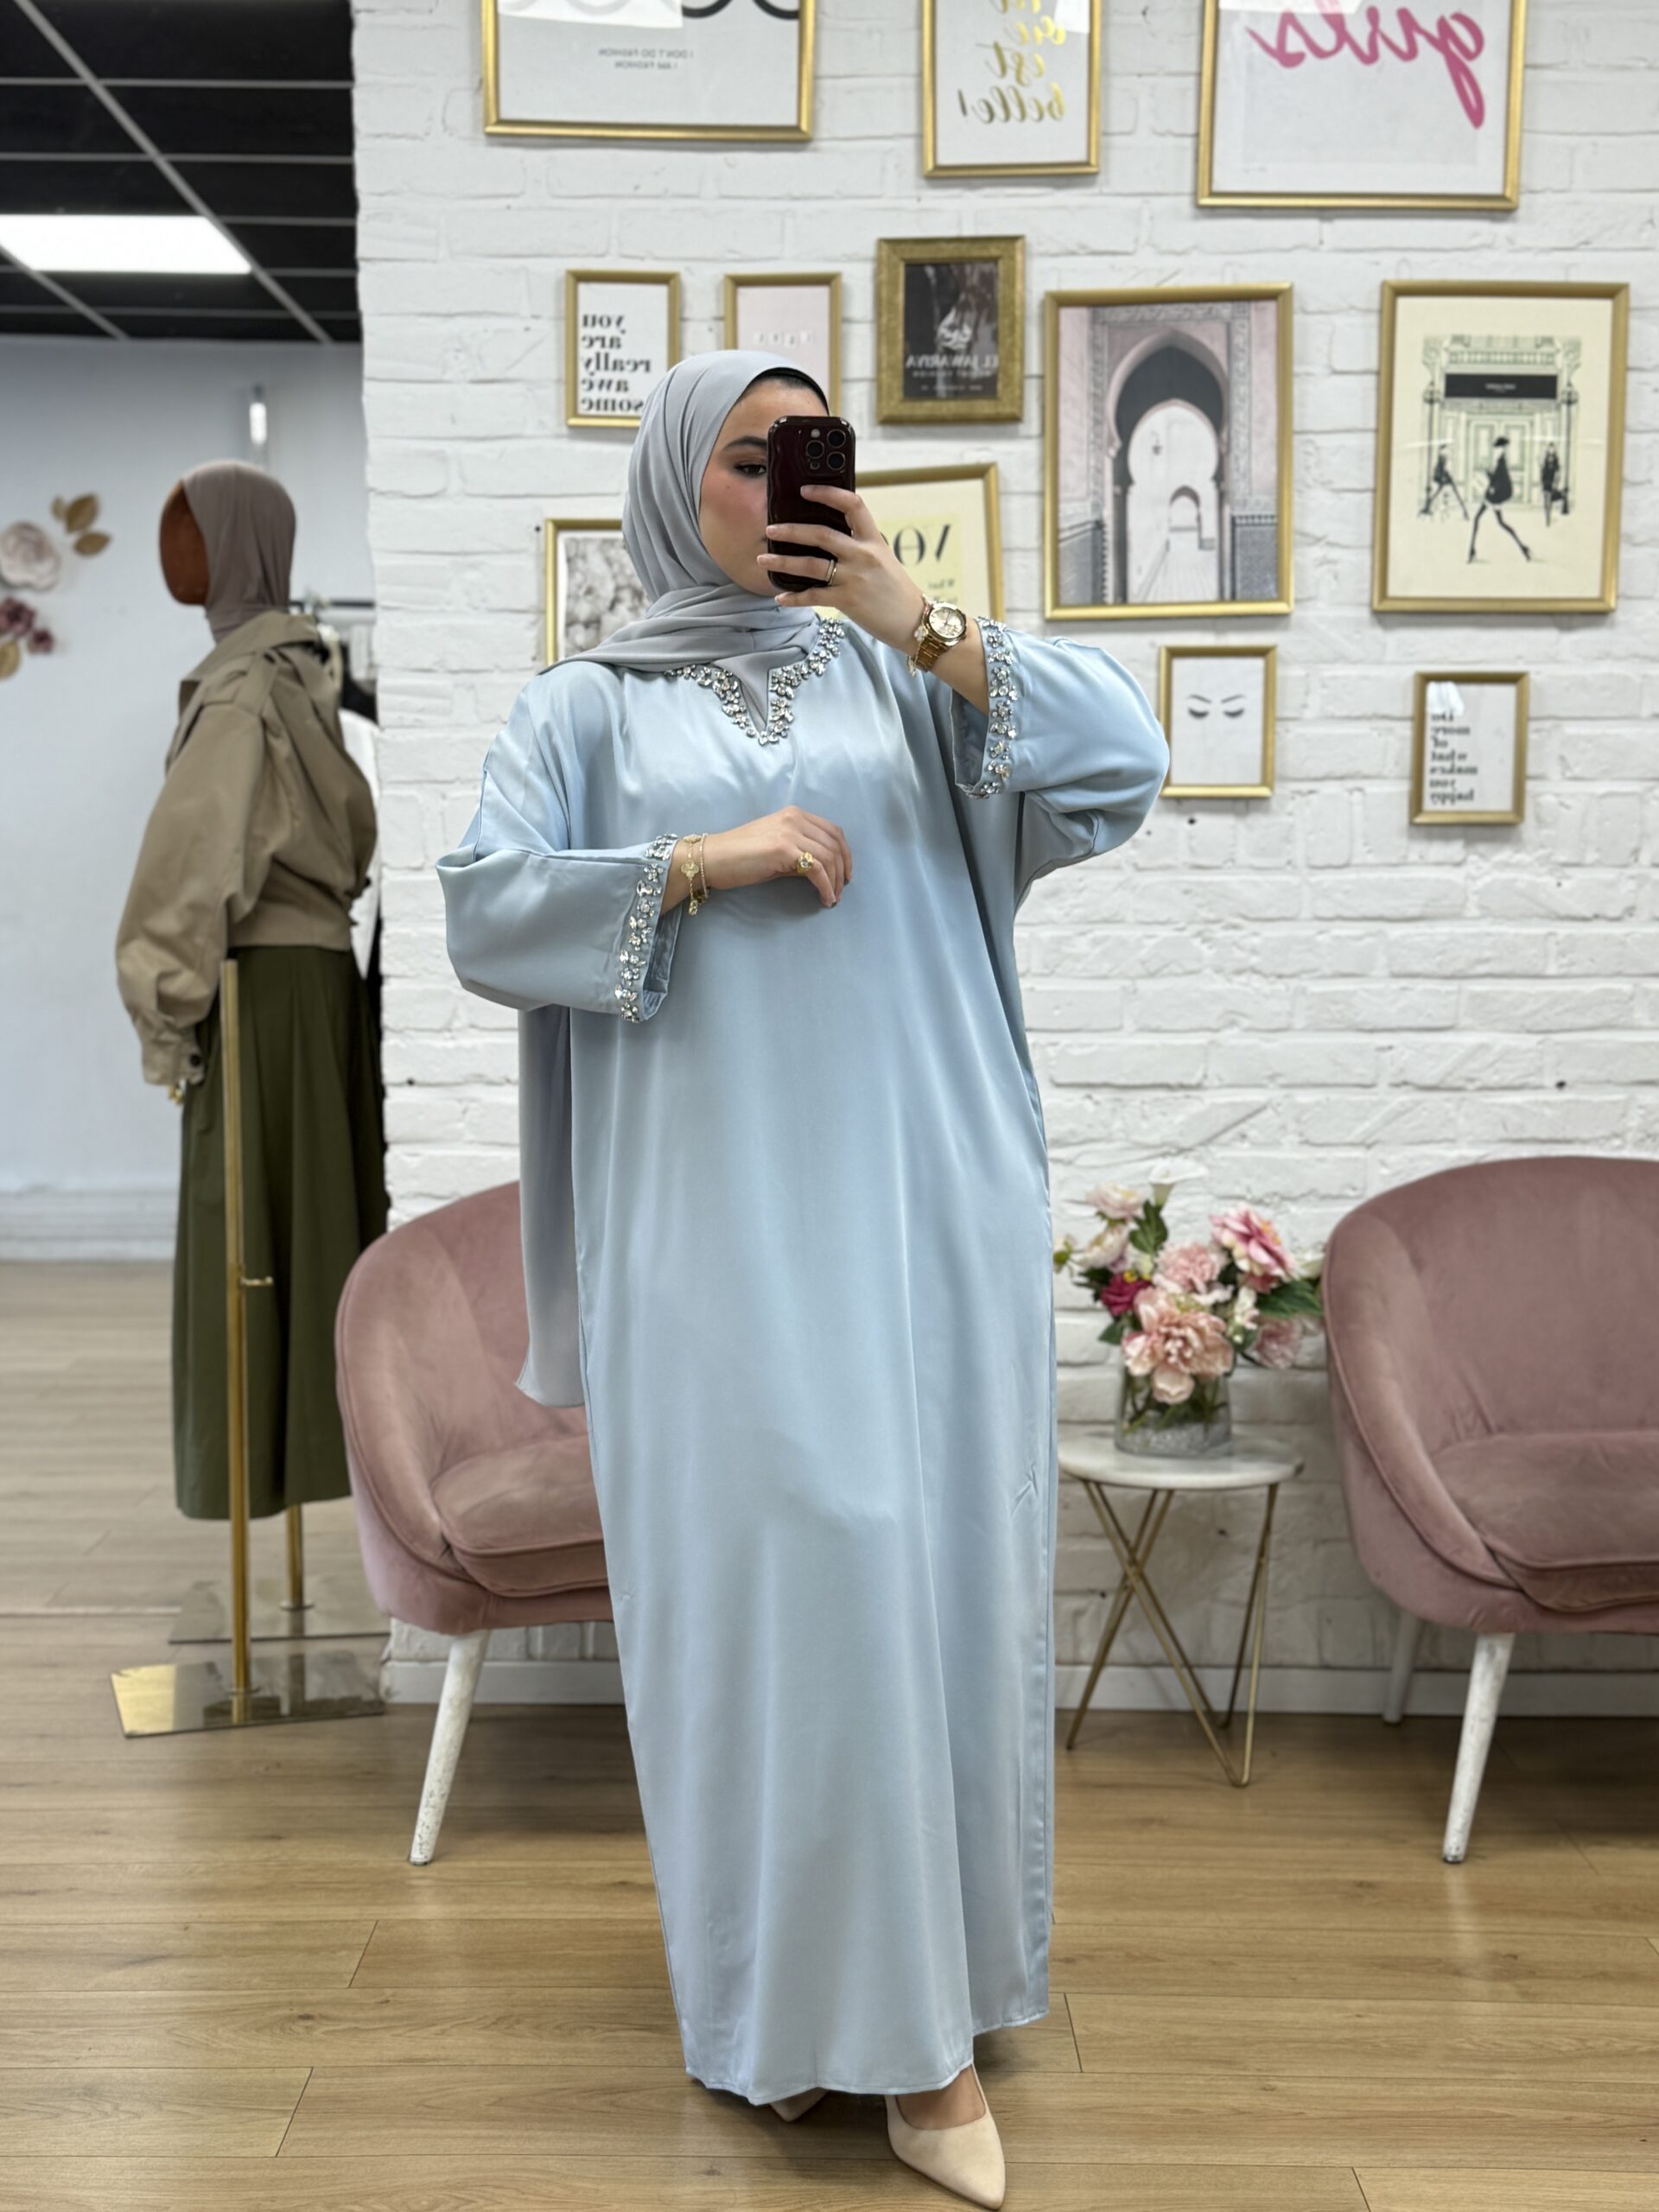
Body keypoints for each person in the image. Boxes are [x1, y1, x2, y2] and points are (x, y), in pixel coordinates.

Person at [436, 351, 1169, 2208]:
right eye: (745, 457)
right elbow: (484, 910)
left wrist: (919, 618)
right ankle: (805, 2015)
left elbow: (1124, 763)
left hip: (928, 1206)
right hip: (716, 1236)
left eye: (808, 457)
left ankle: (933, 2018)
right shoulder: (583, 709)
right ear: (677, 479)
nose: (781, 487)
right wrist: (704, 860)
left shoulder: (905, 680)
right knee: (777, 1605)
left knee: (937, 1593)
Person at [115, 461, 387, 1520]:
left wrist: (164, 1018)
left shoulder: (239, 695)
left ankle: (251, 1468)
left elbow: (185, 877)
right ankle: (309, 1459)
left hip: (256, 994)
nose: (170, 551)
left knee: (244, 1244)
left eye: (189, 528)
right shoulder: (301, 677)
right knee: (309, 1237)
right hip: (315, 993)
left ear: (239, 547)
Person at [1468, 434, 1532, 564]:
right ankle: (1523, 548)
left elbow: (1499, 480)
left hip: (1494, 496)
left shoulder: (1501, 462)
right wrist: (1489, 474)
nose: (1497, 450)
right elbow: (1497, 478)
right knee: (1499, 522)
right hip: (1494, 495)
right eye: (1497, 448)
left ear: (1503, 449)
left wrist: (1488, 475)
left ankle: (1472, 550)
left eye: (1499, 447)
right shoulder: (1500, 461)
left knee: (1479, 519)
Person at [1421, 442, 1468, 519]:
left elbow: (1442, 466)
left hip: (1441, 474)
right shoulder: (1443, 455)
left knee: (1438, 492)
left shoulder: (1442, 455)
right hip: (1442, 474)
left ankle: (1428, 506)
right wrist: (1445, 476)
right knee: (1449, 491)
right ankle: (1464, 510)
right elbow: (1442, 466)